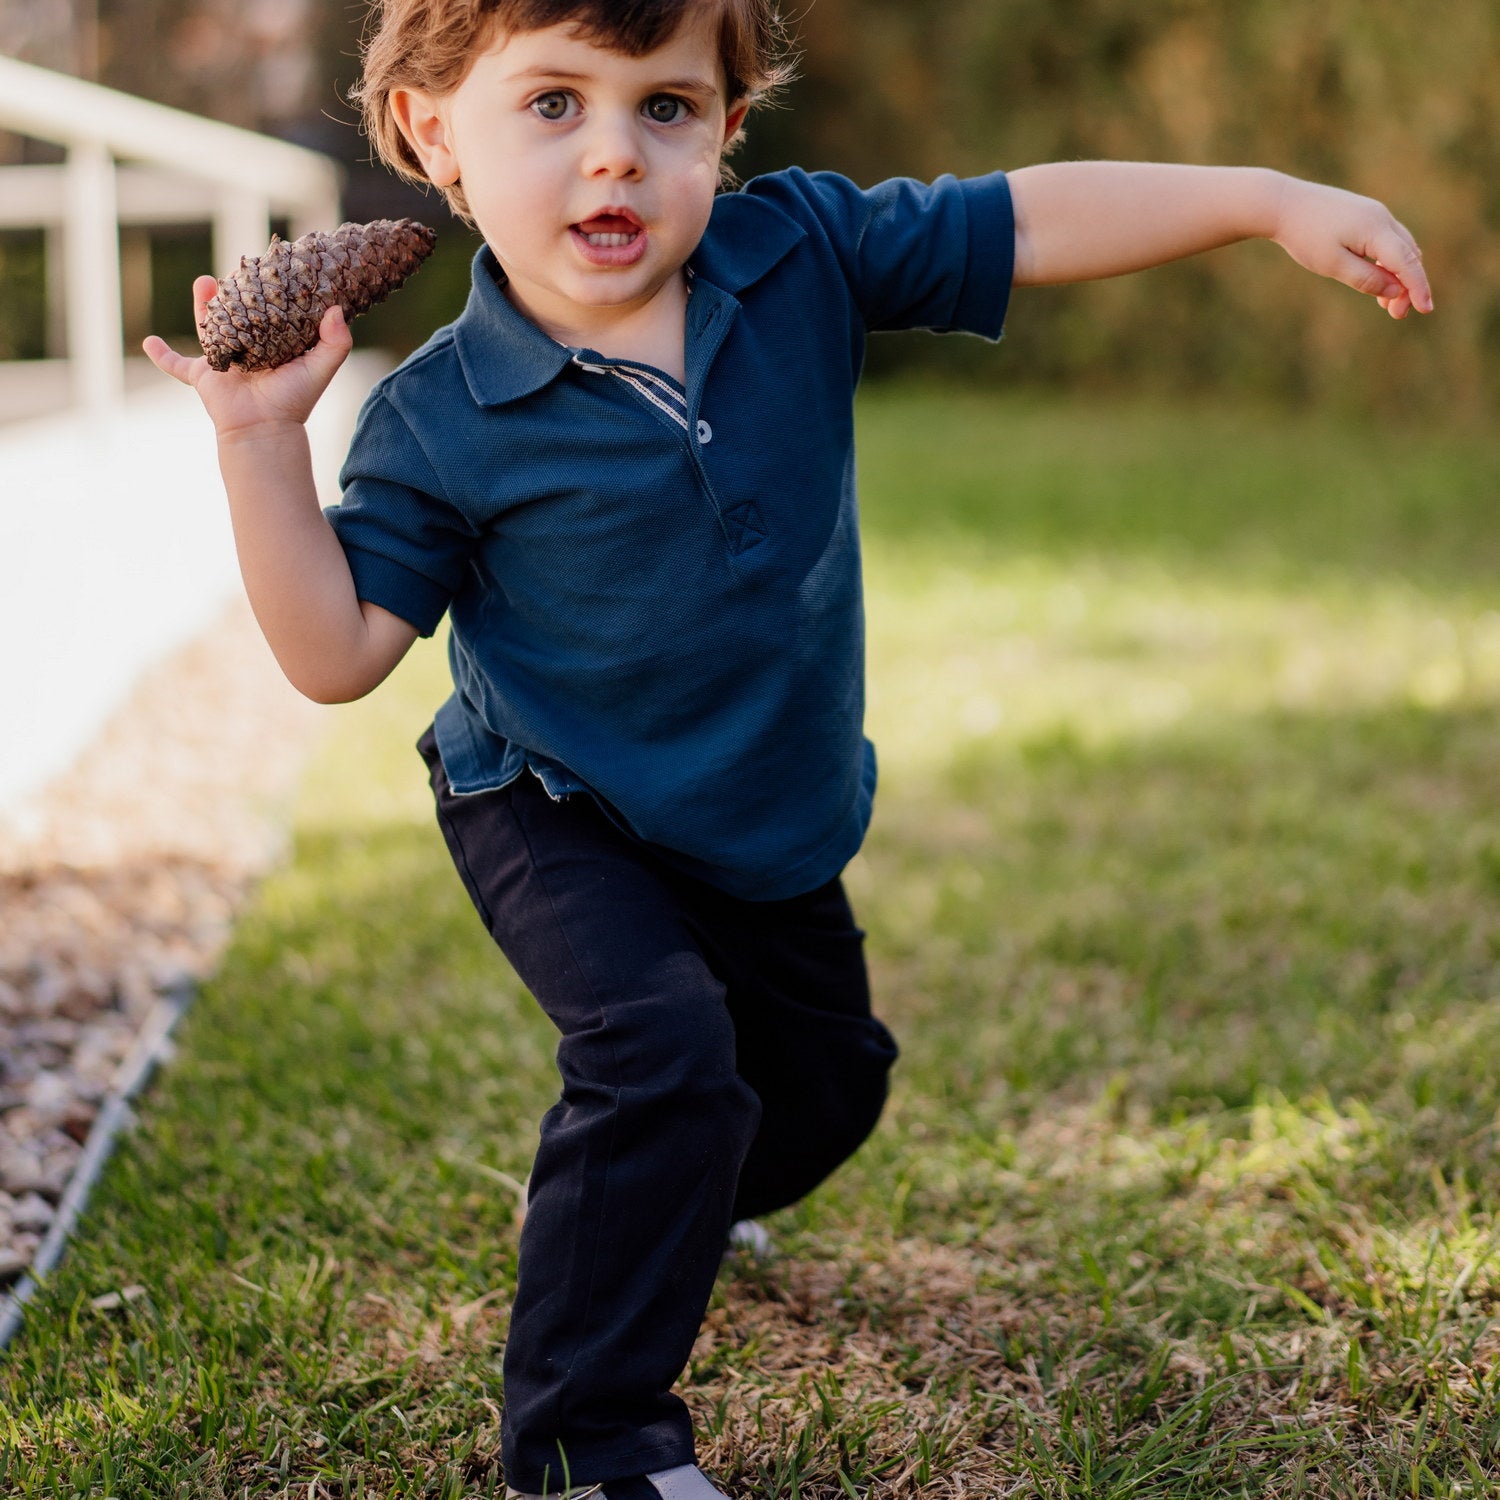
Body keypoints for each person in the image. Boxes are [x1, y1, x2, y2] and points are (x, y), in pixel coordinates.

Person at [144, 1, 1433, 1495]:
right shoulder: (444, 421)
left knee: (824, 1092)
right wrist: (257, 448)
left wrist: (1268, 202)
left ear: (729, 130)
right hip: (551, 798)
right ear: (434, 134)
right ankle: (588, 1439)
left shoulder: (796, 256)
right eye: (552, 106)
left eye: (667, 109)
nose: (615, 155)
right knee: (663, 1050)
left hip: (756, 798)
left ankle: (648, 1204)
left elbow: (1026, 216)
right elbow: (333, 655)